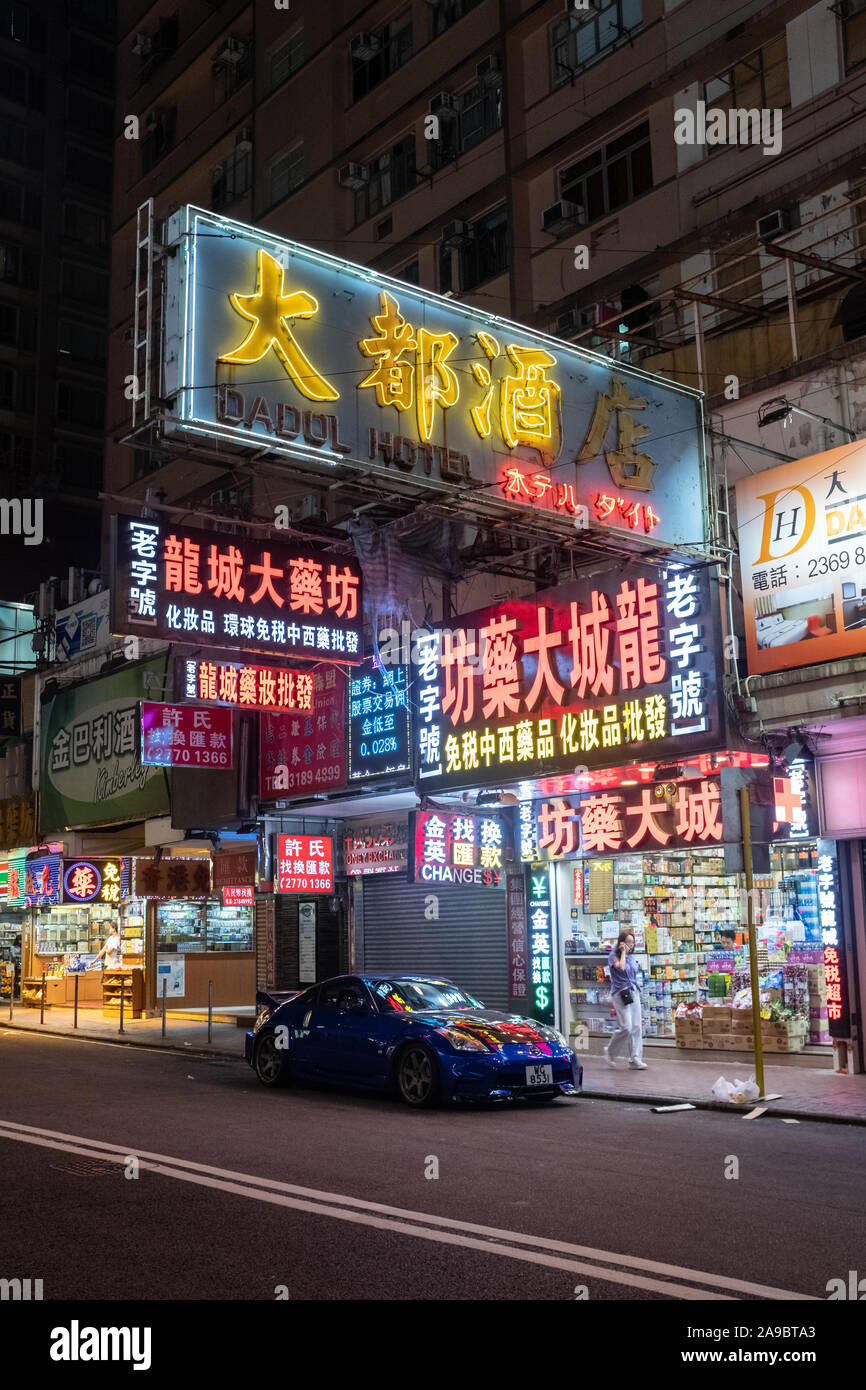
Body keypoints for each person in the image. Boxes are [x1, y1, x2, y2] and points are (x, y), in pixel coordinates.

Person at [604, 929, 647, 1069]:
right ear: (621, 943)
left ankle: (635, 1058)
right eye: (628, 942)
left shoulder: (632, 958)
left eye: (633, 942)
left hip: (633, 992)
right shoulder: (613, 956)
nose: (631, 945)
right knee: (626, 1027)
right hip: (620, 994)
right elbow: (621, 968)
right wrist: (623, 952)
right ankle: (610, 1052)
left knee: (636, 1027)